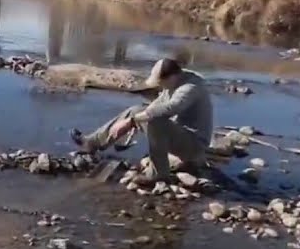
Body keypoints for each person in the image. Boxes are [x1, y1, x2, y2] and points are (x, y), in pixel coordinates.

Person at [70, 58, 213, 183]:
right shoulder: (175, 79)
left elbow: (170, 108)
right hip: (178, 134)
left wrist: (133, 121)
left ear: (172, 77)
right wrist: (136, 119)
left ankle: (158, 175)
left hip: (193, 144)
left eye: (161, 83)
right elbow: (158, 103)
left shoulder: (191, 87)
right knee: (136, 110)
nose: (159, 86)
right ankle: (93, 142)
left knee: (154, 120)